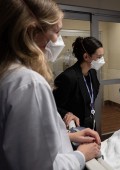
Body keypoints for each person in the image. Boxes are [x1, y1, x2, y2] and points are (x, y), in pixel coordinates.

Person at [0, 0, 101, 169]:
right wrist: (81, 155)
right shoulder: (29, 84)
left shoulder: (8, 74)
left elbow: (26, 142)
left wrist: (68, 136)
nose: (57, 40)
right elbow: (41, 165)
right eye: (56, 32)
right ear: (31, 31)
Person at [53, 37, 104, 130]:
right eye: (99, 57)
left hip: (90, 121)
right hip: (74, 126)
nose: (102, 60)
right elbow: (53, 105)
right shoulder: (67, 77)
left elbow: (91, 96)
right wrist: (67, 113)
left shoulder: (92, 73)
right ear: (86, 57)